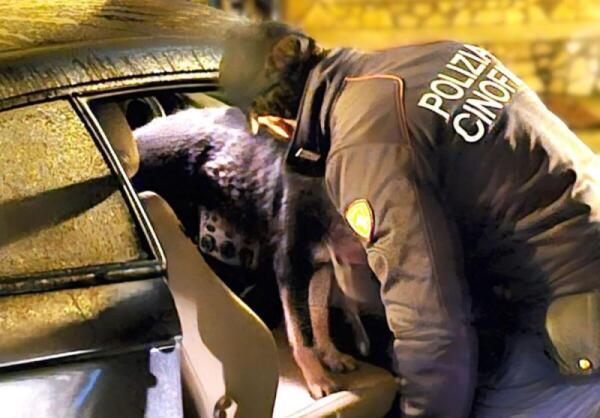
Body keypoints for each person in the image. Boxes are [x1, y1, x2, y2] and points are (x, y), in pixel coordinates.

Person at [219, 22, 600, 417]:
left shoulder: (366, 143)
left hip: (561, 328)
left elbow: (431, 324)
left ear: (276, 122)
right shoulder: (438, 55)